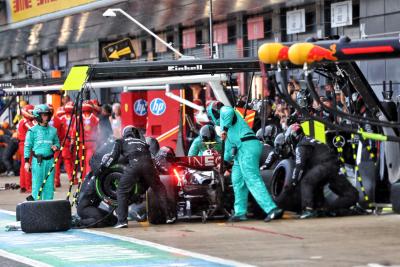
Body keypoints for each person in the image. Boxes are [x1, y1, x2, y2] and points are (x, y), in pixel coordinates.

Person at [206, 101, 283, 222]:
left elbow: (229, 111)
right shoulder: (224, 128)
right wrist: (224, 163)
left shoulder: (224, 112)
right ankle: (240, 212)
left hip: (246, 146)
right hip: (239, 150)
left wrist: (224, 129)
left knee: (251, 178)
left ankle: (272, 209)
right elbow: (228, 147)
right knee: (237, 180)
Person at [100, 125, 174, 228]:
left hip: (134, 166)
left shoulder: (120, 141)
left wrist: (102, 167)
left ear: (125, 134)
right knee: (159, 189)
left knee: (121, 190)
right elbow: (152, 159)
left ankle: (122, 221)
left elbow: (113, 157)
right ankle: (169, 216)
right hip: (149, 166)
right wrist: (161, 171)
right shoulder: (144, 143)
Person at [285, 123, 359, 219]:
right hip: (334, 165)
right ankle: (327, 209)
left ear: (293, 137)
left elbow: (299, 166)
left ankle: (308, 210)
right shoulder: (313, 140)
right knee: (351, 195)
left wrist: (293, 182)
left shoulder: (301, 144)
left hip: (323, 165)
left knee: (306, 182)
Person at [24, 104, 60, 200]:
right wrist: (27, 162)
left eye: (47, 115)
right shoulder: (32, 131)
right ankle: (36, 206)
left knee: (49, 185)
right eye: (44, 115)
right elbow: (27, 146)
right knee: (37, 184)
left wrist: (56, 147)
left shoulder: (53, 130)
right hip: (38, 162)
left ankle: (48, 207)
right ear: (38, 116)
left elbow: (57, 143)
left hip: (50, 161)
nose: (46, 117)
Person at [72, 100, 99, 178]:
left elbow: (74, 131)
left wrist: (73, 141)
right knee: (87, 161)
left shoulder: (78, 118)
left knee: (83, 161)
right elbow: (98, 132)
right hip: (90, 143)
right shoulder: (95, 119)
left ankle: (85, 178)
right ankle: (86, 178)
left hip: (82, 143)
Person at [17, 104, 35, 193]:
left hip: (22, 144)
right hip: (26, 145)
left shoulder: (22, 120)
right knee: (28, 165)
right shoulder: (27, 122)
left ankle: (23, 185)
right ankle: (28, 186)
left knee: (23, 166)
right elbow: (34, 130)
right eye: (32, 112)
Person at [48, 104, 66, 188]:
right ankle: (56, 181)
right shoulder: (58, 120)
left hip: (48, 146)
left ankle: (53, 182)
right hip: (54, 145)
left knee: (52, 164)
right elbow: (63, 134)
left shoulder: (41, 120)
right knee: (56, 164)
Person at [60, 101, 76, 184]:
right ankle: (73, 177)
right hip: (70, 141)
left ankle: (72, 177)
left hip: (66, 141)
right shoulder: (75, 117)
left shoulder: (62, 118)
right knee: (71, 160)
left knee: (68, 161)